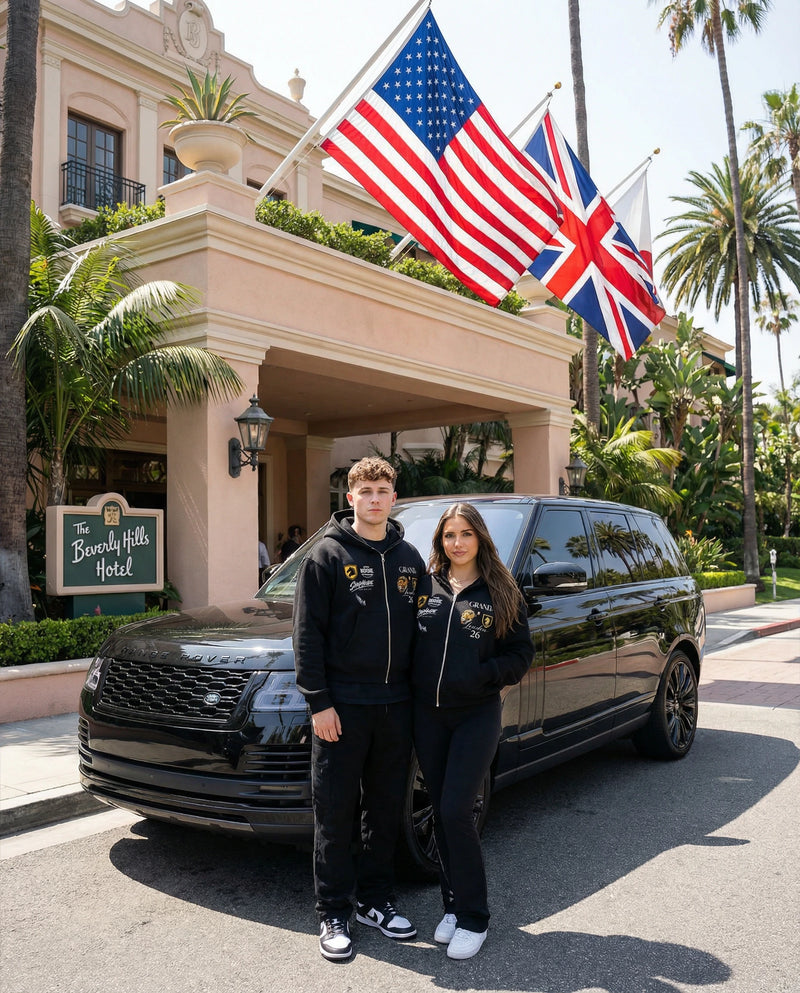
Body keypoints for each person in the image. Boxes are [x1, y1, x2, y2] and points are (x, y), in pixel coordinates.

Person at [293, 456, 426, 961]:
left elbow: (426, 630)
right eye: (365, 490)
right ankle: (333, 912)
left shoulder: (410, 558)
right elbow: (308, 636)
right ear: (350, 498)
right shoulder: (326, 556)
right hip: (342, 710)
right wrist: (320, 703)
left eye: (382, 491)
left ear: (394, 499)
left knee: (385, 810)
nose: (374, 498)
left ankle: (376, 901)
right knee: (335, 811)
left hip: (396, 707)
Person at [412, 502, 533, 960]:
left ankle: (475, 917)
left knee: (456, 811)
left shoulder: (501, 591)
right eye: (449, 535)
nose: (457, 542)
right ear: (440, 541)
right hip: (428, 717)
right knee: (441, 814)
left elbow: (521, 654)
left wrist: (481, 676)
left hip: (476, 715)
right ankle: (452, 905)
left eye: (465, 533)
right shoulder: (424, 588)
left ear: (480, 537)